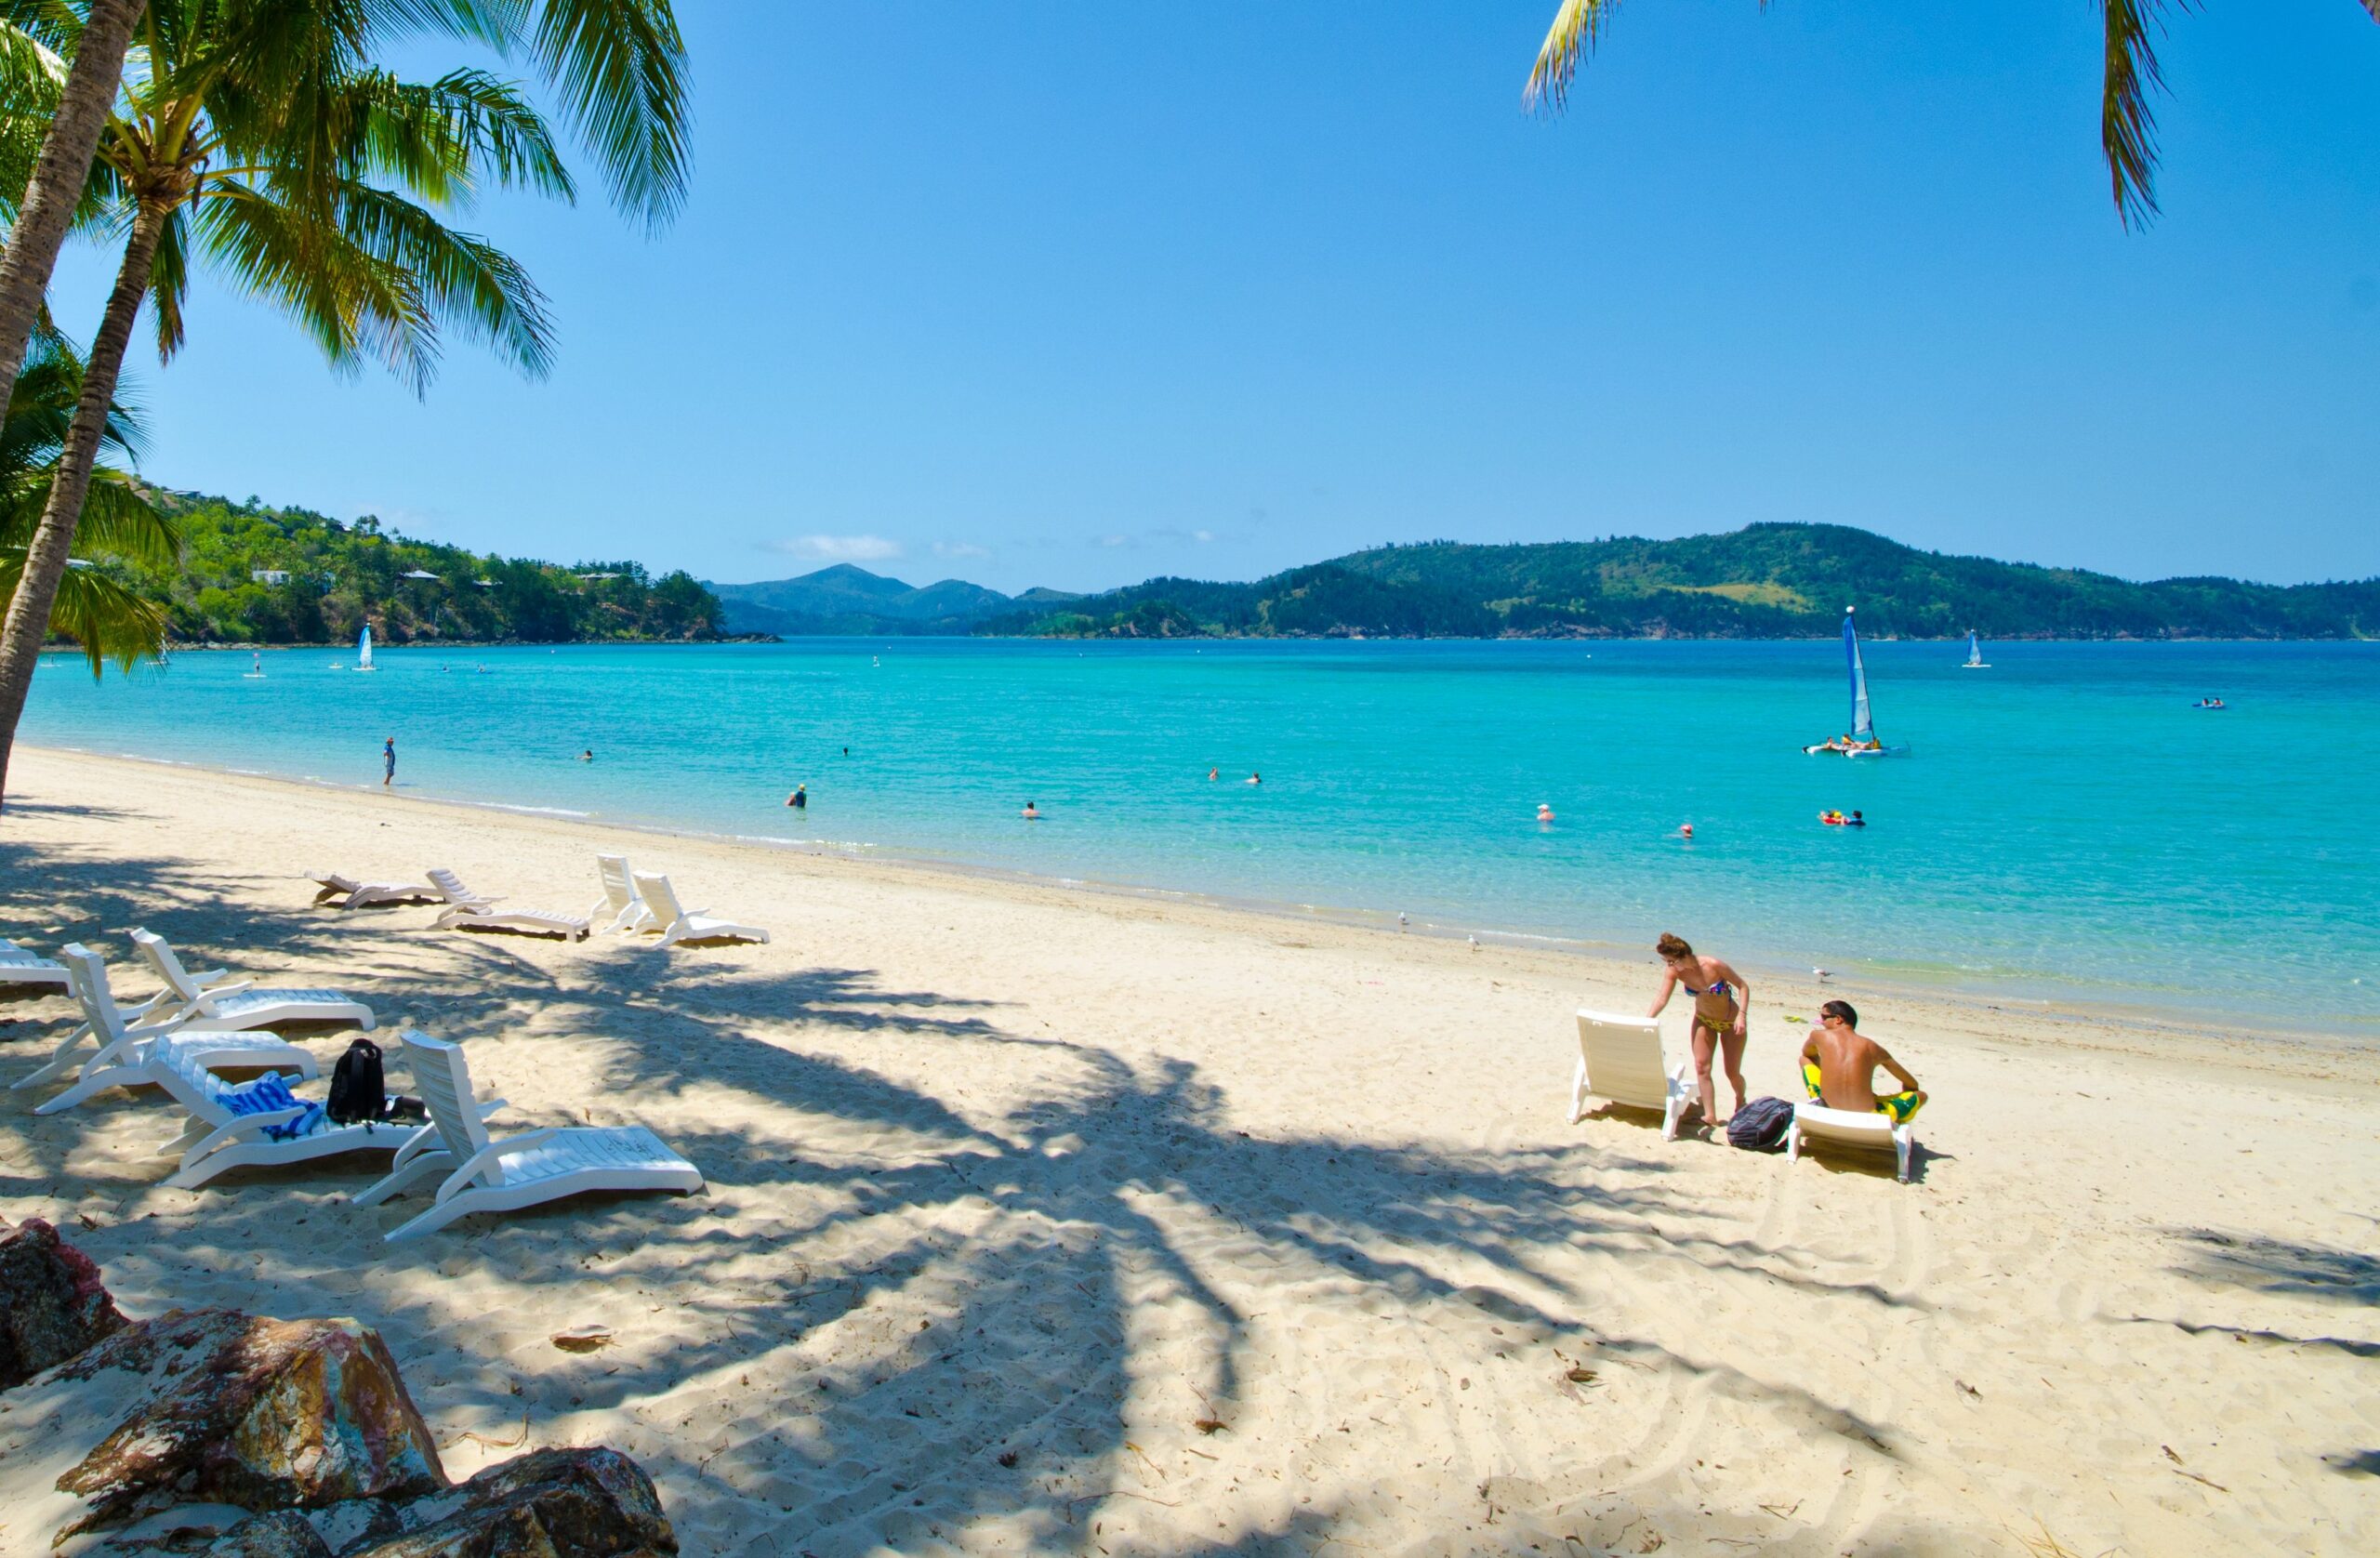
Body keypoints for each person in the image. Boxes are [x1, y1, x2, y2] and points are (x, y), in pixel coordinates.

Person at [1646, 931, 1751, 1130]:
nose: (1668, 965)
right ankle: (1710, 1115)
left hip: (1731, 1023)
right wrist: (1647, 1019)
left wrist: (1742, 1015)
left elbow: (1743, 986)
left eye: (1670, 961)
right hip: (1703, 1020)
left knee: (1732, 1072)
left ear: (1683, 956)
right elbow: (1662, 998)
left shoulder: (1713, 965)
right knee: (1702, 1066)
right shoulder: (1675, 972)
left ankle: (1740, 1098)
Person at [1799, 1000, 1924, 1123]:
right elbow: (1912, 1084)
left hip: (1828, 1108)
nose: (1821, 1022)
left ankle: (1824, 1096)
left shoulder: (1819, 1036)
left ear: (1838, 1019)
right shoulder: (1872, 1047)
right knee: (1920, 1095)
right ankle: (1896, 1124)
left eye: (1823, 1017)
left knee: (1805, 1059)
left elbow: (1807, 1054)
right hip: (1869, 1118)